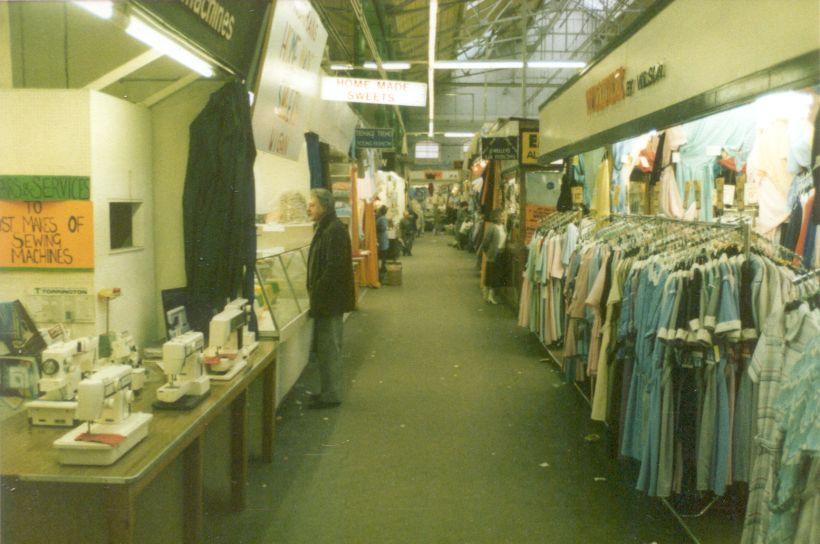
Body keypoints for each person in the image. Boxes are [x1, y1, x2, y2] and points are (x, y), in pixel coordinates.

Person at [306, 189, 355, 409]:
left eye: (312, 205)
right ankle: (327, 391)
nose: (309, 209)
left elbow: (333, 268)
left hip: (330, 300)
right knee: (326, 349)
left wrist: (316, 290)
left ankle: (332, 394)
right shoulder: (327, 227)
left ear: (324, 207)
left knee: (330, 348)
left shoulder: (333, 230)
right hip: (327, 298)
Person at [479, 209, 507, 305]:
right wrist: (487, 252)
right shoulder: (492, 227)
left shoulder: (503, 227)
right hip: (493, 254)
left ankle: (490, 295)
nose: (503, 217)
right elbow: (486, 241)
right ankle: (487, 294)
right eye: (501, 216)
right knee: (491, 274)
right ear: (496, 217)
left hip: (501, 253)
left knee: (496, 275)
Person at [376, 205, 389, 278]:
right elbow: (384, 227)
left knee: (381, 255)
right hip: (382, 239)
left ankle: (382, 269)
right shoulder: (383, 218)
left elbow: (382, 227)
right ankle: (382, 269)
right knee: (383, 255)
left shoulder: (380, 218)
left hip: (381, 239)